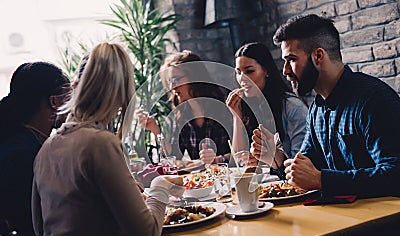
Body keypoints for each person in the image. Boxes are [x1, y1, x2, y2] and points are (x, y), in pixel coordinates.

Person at [32, 42, 183, 236]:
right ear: (122, 95)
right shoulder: (100, 143)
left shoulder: (47, 147)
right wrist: (160, 185)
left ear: (76, 87)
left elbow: (40, 228)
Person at [252, 14, 400, 197]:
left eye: (291, 59)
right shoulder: (317, 109)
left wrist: (322, 180)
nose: (285, 71)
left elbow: (395, 175)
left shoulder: (374, 100)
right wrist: (275, 156)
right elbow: (305, 169)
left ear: (318, 56)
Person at [0, 62, 71, 236]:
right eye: (70, 97)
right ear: (54, 101)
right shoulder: (24, 155)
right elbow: (45, 223)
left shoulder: (20, 141)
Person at [136, 50, 231, 164]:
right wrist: (155, 130)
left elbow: (244, 151)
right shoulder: (182, 112)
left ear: (193, 76)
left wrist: (219, 159)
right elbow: (173, 156)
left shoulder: (224, 107)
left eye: (176, 80)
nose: (172, 87)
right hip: (202, 179)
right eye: (170, 81)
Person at [226, 42, 308, 172]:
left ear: (266, 71)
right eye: (238, 72)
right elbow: (239, 160)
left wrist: (268, 159)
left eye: (250, 71)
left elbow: (301, 161)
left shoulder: (293, 107)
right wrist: (236, 116)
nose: (242, 79)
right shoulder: (250, 106)